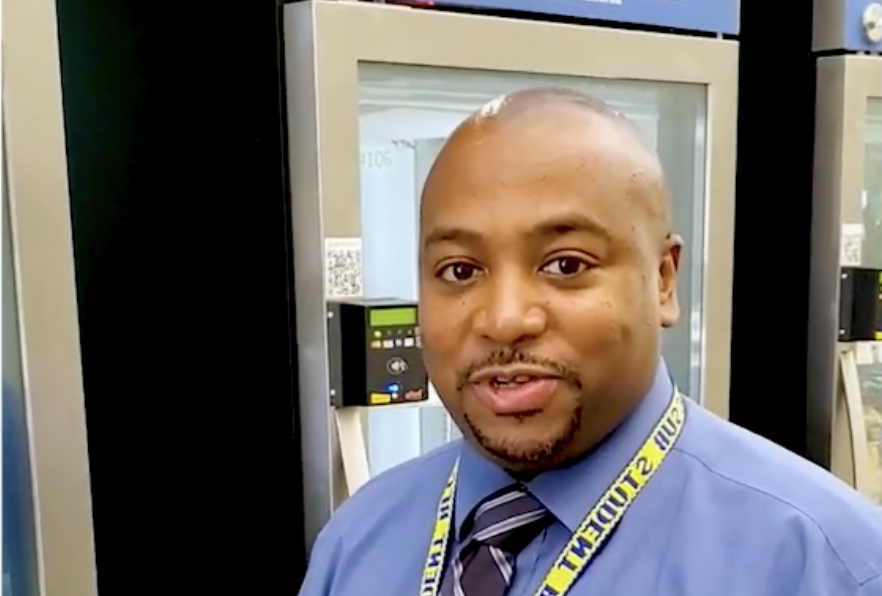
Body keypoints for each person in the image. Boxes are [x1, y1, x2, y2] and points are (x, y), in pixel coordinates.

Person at [298, 88, 882, 596]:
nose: (504, 320)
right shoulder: (357, 543)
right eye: (459, 271)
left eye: (566, 264)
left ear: (662, 280)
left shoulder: (826, 565)